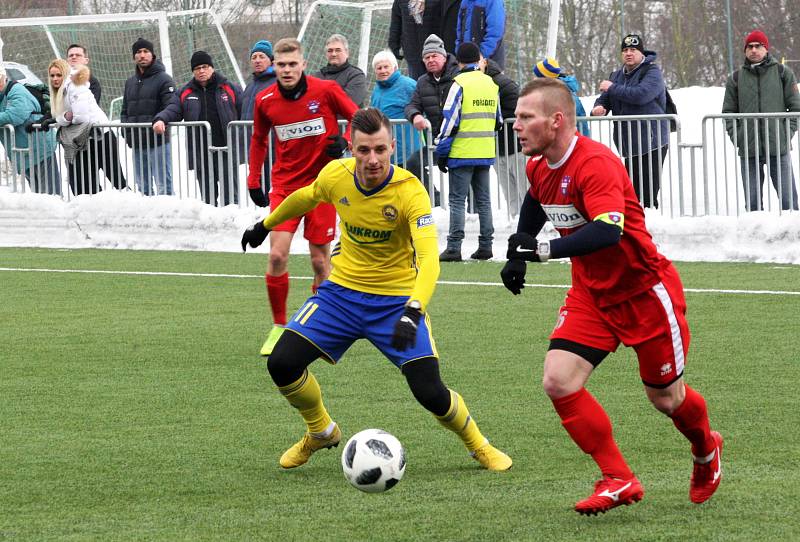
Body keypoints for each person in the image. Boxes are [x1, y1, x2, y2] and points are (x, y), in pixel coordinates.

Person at [241, 107, 512, 473]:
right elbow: (306, 196)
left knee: (429, 390)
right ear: (351, 148)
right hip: (340, 295)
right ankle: (320, 430)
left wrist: (414, 309)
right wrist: (265, 224)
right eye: (364, 150)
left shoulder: (409, 192)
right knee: (282, 363)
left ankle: (479, 446)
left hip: (396, 303)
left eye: (380, 150)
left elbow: (429, 258)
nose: (372, 159)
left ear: (392, 147)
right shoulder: (336, 175)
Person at [503, 77, 723, 514]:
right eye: (517, 117)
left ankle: (706, 449)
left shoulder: (595, 163)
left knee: (666, 399)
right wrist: (520, 247)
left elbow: (608, 229)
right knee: (558, 380)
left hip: (643, 292)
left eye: (526, 117)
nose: (516, 125)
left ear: (556, 120)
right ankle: (618, 478)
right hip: (591, 293)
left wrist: (544, 248)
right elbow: (536, 200)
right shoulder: (538, 164)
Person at [247, 37, 359, 356]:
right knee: (277, 256)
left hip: (322, 187)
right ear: (274, 66)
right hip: (285, 188)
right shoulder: (265, 99)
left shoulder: (325, 91)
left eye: (292, 64)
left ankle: (319, 326)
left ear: (303, 64)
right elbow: (258, 139)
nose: (286, 70)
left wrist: (344, 140)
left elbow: (357, 117)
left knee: (320, 261)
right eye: (281, 65)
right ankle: (279, 327)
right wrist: (253, 178)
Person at [435, 42, 500, 261]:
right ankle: (486, 245)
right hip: (485, 151)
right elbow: (498, 121)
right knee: (484, 201)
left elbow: (450, 120)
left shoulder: (459, 83)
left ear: (459, 62)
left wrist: (441, 148)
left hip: (462, 152)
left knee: (456, 201)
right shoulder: (491, 84)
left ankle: (454, 247)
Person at [722, 29, 800, 211]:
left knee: (789, 203)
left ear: (766, 49)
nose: (754, 50)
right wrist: (739, 137)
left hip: (778, 149)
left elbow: (796, 108)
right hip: (749, 151)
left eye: (758, 46)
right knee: (753, 205)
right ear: (745, 50)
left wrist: (785, 134)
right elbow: (728, 113)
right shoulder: (735, 78)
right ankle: (754, 238)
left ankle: (793, 236)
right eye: (750, 46)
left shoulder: (783, 73)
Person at [591, 34, 669, 209]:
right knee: (632, 193)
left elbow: (641, 95)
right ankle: (634, 227)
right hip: (628, 142)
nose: (628, 53)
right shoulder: (617, 75)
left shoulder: (652, 71)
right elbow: (605, 98)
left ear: (641, 53)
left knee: (648, 192)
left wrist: (612, 88)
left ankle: (649, 225)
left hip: (652, 141)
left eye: (633, 50)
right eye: (625, 50)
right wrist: (599, 107)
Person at [166, 51, 243, 206]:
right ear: (193, 71)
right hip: (201, 152)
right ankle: (211, 224)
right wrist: (161, 119)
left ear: (212, 68)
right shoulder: (185, 92)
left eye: (205, 67)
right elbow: (173, 109)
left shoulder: (230, 87)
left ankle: (231, 223)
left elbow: (245, 111)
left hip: (227, 150)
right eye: (197, 68)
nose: (201, 71)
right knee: (208, 198)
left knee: (231, 198)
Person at [51, 63, 128, 195]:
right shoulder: (60, 92)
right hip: (84, 141)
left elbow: (81, 117)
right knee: (85, 184)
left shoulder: (75, 86)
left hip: (101, 137)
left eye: (59, 75)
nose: (55, 78)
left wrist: (67, 118)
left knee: (117, 181)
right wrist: (66, 117)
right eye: (52, 75)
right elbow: (59, 116)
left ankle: (132, 206)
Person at [121, 37, 181, 196]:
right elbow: (124, 111)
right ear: (134, 56)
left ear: (152, 55)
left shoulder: (164, 79)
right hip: (138, 144)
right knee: (143, 188)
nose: (142, 55)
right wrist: (127, 133)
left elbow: (171, 105)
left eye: (146, 51)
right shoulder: (130, 82)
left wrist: (161, 120)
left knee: (164, 187)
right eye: (138, 52)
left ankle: (169, 217)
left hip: (158, 142)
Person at [404, 33, 459, 204]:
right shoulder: (422, 82)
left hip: (460, 141)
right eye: (426, 57)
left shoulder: (459, 75)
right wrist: (415, 116)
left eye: (434, 55)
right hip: (437, 142)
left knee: (463, 175)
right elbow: (411, 105)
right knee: (413, 162)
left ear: (444, 56)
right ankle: (433, 201)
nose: (430, 60)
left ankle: (473, 211)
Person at [0, 65, 60, 195]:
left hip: (40, 148)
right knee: (37, 195)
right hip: (23, 154)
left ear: (3, 76)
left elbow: (15, 114)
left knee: (51, 194)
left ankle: (57, 215)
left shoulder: (16, 90)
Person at [484, 56, 528, 217]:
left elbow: (517, 111)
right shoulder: (502, 83)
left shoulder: (500, 85)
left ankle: (522, 219)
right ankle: (517, 219)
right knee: (515, 189)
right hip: (505, 147)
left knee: (521, 190)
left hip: (514, 147)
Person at [369, 50, 421, 172]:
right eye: (379, 68)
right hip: (386, 152)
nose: (383, 71)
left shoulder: (408, 85)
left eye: (386, 67)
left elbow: (422, 107)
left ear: (394, 67)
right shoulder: (376, 90)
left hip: (409, 152)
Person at [241, 40, 277, 195]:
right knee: (258, 186)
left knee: (273, 187)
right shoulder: (250, 86)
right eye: (254, 57)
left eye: (261, 56)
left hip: (273, 146)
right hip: (254, 146)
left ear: (271, 60)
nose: (257, 60)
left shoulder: (277, 82)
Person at [533, 57, 590, 137]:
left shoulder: (562, 94)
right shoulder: (556, 90)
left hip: (572, 140)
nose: (534, 79)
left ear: (545, 78)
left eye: (537, 76)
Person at [388, 0, 442, 80]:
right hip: (412, 51)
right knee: (417, 85)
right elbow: (396, 23)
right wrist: (394, 45)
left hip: (435, 51)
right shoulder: (401, 2)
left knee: (437, 84)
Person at [313, 34, 367, 108]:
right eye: (330, 51)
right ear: (326, 54)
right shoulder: (317, 76)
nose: (333, 54)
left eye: (338, 50)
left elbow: (348, 103)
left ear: (347, 53)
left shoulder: (356, 76)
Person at [454, 0, 506, 68]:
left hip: (489, 63)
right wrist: (459, 52)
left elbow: (495, 33)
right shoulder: (464, 2)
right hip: (468, 61)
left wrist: (479, 56)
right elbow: (459, 32)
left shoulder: (493, 2)